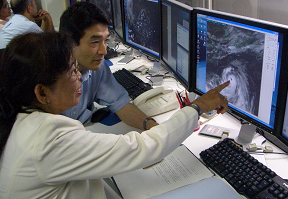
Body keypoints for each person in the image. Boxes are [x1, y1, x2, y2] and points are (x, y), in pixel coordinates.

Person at [0, 31, 229, 198]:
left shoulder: (23, 121)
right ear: (41, 92)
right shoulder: (48, 138)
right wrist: (197, 107)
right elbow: (143, 147)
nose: (80, 77)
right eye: (72, 71)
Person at [59, 2, 157, 129]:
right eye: (95, 42)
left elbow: (120, 103)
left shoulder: (97, 68)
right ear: (69, 42)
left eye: (105, 41)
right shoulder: (46, 77)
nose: (104, 51)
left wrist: (154, 128)